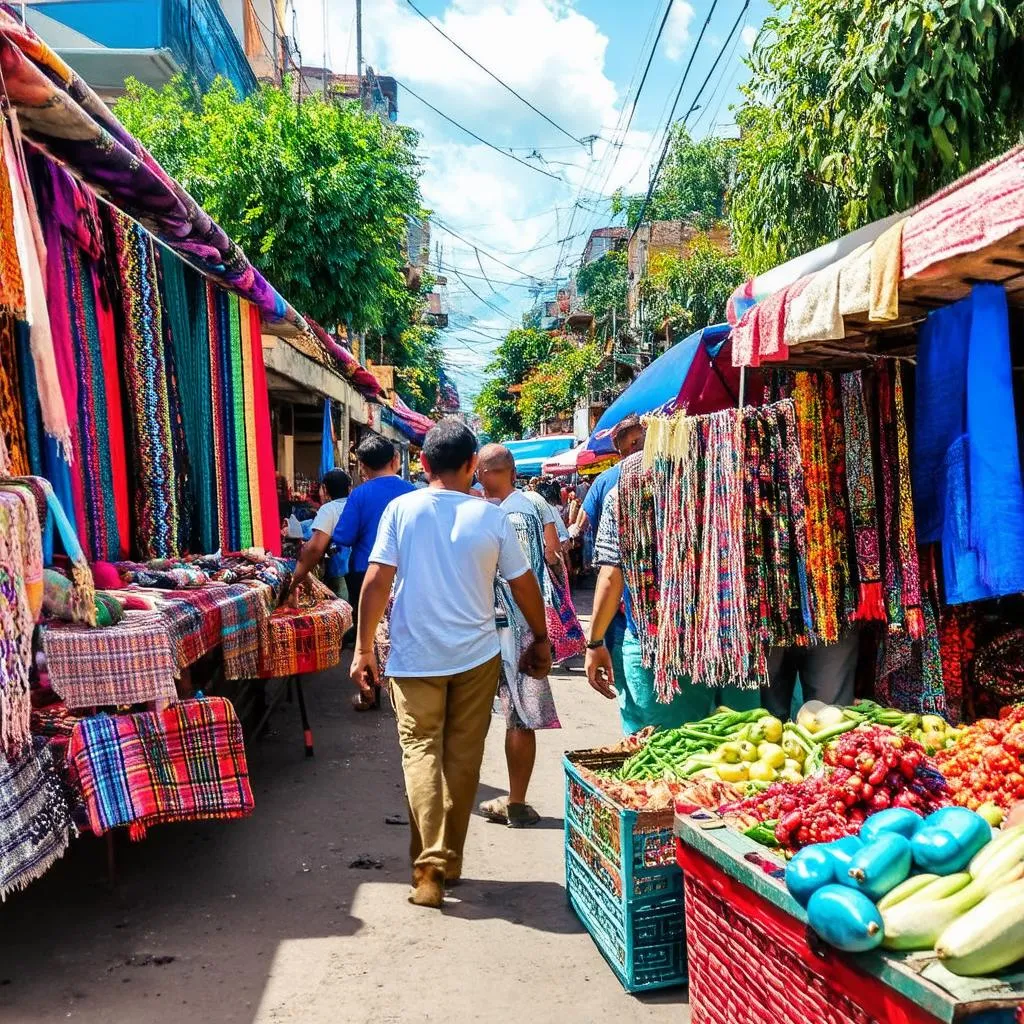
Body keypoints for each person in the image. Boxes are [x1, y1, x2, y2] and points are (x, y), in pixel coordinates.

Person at [351, 420, 551, 909]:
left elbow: (376, 582)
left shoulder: (403, 509)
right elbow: (524, 585)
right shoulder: (490, 517)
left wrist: (361, 650)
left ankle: (431, 865)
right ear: (471, 468)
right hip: (476, 657)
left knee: (420, 751)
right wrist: (541, 637)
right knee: (463, 758)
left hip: (416, 655)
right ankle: (447, 861)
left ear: (422, 463)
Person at [585, 484, 761, 733]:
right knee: (746, 754)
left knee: (663, 755)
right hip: (736, 643)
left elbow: (612, 576)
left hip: (663, 649)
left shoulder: (628, 486)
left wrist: (594, 642)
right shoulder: (737, 477)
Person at [476, 444, 561, 829]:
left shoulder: (514, 512)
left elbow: (520, 579)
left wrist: (534, 636)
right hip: (508, 627)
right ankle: (515, 801)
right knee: (514, 718)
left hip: (513, 629)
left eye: (484, 470)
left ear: (501, 471)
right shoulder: (508, 509)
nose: (479, 478)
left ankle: (516, 801)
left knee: (519, 718)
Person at [332, 434, 414, 638]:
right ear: (395, 459)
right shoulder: (413, 492)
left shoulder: (359, 494)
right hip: (405, 571)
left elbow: (344, 536)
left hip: (365, 572)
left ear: (362, 466)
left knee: (369, 631)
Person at [286, 469, 351, 598]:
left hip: (339, 569)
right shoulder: (355, 505)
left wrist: (296, 580)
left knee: (342, 603)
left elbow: (314, 544)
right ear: (349, 488)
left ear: (325, 490)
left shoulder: (329, 509)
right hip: (360, 568)